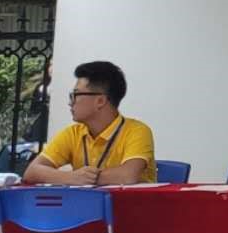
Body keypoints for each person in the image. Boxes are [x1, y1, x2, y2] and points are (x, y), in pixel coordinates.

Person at [22, 61, 156, 185]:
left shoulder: (137, 131)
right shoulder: (72, 133)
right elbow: (31, 172)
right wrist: (71, 177)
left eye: (76, 95)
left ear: (100, 101)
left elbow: (127, 176)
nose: (70, 102)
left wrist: (83, 178)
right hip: (88, 203)